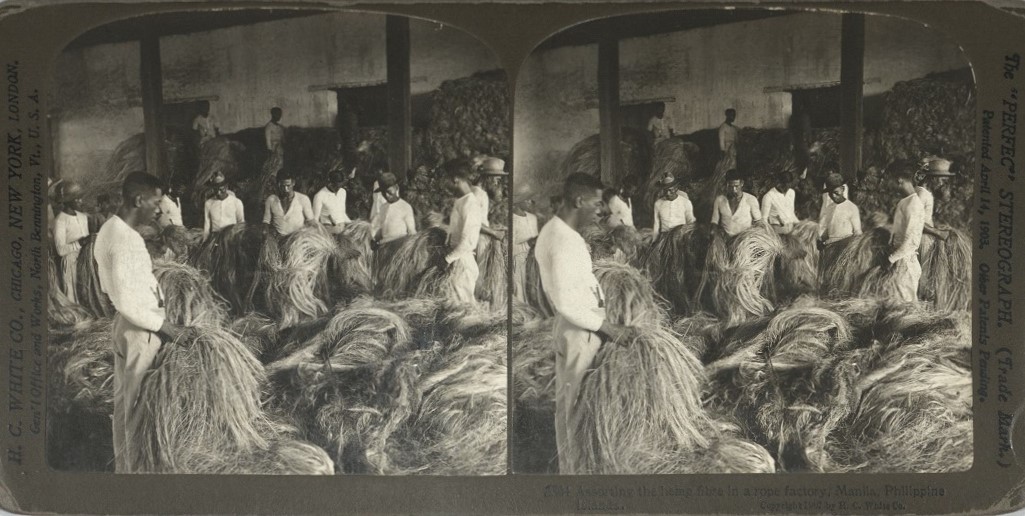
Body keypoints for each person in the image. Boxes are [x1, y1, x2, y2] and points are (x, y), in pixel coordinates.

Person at [534, 172, 637, 474]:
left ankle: (573, 467)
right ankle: (578, 471)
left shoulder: (554, 231)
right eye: (596, 203)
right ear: (578, 200)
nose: (600, 210)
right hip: (580, 331)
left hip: (576, 328)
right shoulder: (564, 242)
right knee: (577, 405)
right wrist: (608, 328)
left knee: (569, 402)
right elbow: (566, 303)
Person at [94, 171, 186, 472]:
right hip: (140, 331)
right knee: (138, 410)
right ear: (138, 200)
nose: (159, 209)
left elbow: (114, 290)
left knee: (125, 405)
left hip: (128, 327)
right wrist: (166, 327)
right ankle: (137, 478)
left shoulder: (110, 229)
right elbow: (127, 301)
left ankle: (126, 470)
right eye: (156, 202)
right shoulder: (124, 240)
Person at [442, 159, 483, 306]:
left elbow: (468, 241)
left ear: (455, 179)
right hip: (456, 259)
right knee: (454, 307)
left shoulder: (470, 204)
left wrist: (447, 259)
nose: (445, 184)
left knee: (463, 308)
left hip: (462, 262)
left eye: (446, 180)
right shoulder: (460, 201)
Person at [886, 169, 926, 303]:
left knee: (905, 307)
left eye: (889, 181)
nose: (889, 185)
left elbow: (911, 241)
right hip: (898, 259)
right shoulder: (904, 202)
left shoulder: (914, 204)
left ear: (899, 180)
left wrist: (891, 259)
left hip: (906, 263)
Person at [53, 181, 90, 303]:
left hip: (85, 260)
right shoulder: (60, 221)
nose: (81, 201)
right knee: (74, 297)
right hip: (71, 264)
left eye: (81, 198)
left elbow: (87, 238)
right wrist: (79, 243)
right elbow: (60, 250)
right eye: (77, 199)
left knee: (87, 292)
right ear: (68, 201)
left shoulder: (83, 217)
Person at [711, 170, 763, 236]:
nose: (734, 190)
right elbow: (714, 221)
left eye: (736, 186)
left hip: (744, 239)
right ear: (727, 184)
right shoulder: (720, 200)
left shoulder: (751, 199)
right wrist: (713, 232)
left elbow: (758, 222)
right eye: (730, 186)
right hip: (725, 239)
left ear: (742, 184)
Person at [370, 172, 416, 245]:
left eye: (389, 192)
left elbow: (411, 232)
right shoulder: (383, 208)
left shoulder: (405, 207)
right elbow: (379, 227)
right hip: (384, 247)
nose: (387, 195)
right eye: (383, 193)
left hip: (399, 246)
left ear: (396, 187)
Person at [818, 172, 862, 245]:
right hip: (830, 245)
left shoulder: (851, 207)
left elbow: (857, 231)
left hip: (846, 245)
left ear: (843, 189)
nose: (833, 196)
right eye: (830, 193)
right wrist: (820, 238)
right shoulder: (829, 208)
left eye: (836, 192)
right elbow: (825, 227)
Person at [263, 172, 313, 237]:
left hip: (297, 238)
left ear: (293, 183)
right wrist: (265, 233)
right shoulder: (271, 199)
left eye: (288, 185)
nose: (285, 189)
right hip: (277, 239)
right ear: (278, 184)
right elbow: (266, 221)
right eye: (282, 186)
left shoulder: (303, 199)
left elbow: (311, 222)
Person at [511, 190, 539, 302]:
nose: (530, 202)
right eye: (526, 199)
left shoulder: (533, 218)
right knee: (520, 293)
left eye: (530, 199)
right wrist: (528, 244)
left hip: (533, 261)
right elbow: (510, 249)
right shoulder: (512, 219)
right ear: (518, 200)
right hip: (518, 262)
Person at [473, 157, 509, 240]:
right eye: (497, 179)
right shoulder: (477, 194)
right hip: (477, 240)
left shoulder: (480, 193)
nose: (496, 183)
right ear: (489, 178)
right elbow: (473, 222)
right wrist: (495, 233)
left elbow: (480, 220)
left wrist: (493, 227)